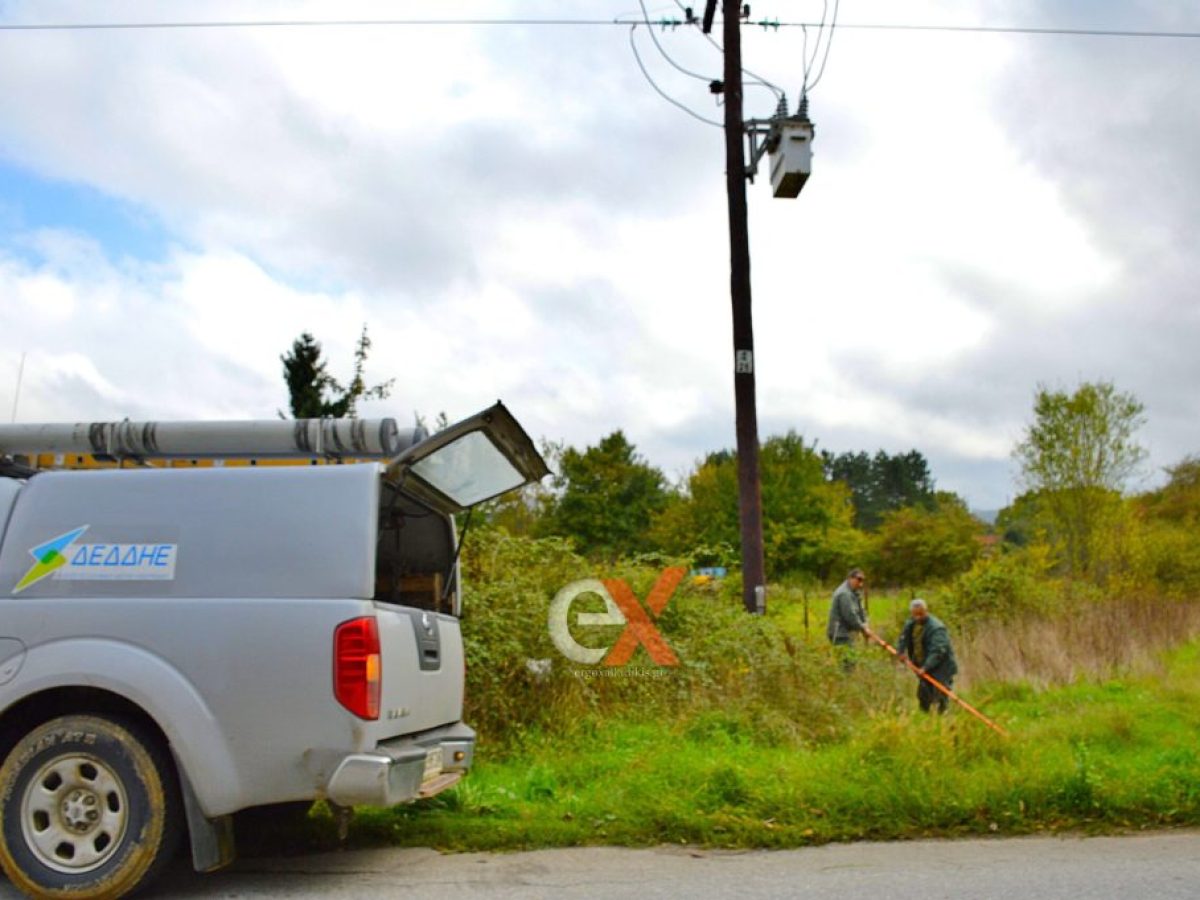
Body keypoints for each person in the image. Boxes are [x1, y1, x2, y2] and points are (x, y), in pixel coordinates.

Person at [896, 598, 958, 713]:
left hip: (941, 667)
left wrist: (925, 667)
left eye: (921, 614)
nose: (918, 617)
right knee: (923, 695)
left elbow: (938, 651)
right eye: (915, 615)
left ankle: (943, 717)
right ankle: (924, 719)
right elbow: (903, 638)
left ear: (926, 611)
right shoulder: (911, 623)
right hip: (923, 667)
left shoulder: (937, 628)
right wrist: (900, 652)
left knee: (941, 695)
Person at [826, 568, 869, 668]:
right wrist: (862, 628)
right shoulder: (844, 594)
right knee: (848, 664)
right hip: (839, 633)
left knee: (850, 661)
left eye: (862, 580)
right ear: (850, 578)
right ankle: (844, 682)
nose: (860, 583)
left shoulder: (854, 592)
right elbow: (850, 616)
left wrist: (865, 624)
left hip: (846, 633)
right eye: (858, 579)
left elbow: (860, 610)